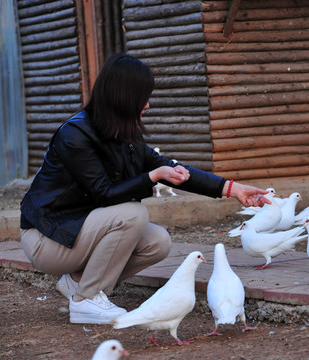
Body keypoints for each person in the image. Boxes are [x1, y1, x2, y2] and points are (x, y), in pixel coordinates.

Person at [19, 53, 270, 325]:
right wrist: (152, 176)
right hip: (48, 238)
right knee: (133, 214)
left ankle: (78, 284)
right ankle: (87, 300)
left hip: (79, 230)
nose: (147, 105)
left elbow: (168, 168)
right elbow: (104, 192)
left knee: (157, 242)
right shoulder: (75, 135)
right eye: (142, 97)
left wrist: (232, 189)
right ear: (123, 97)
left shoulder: (122, 133)